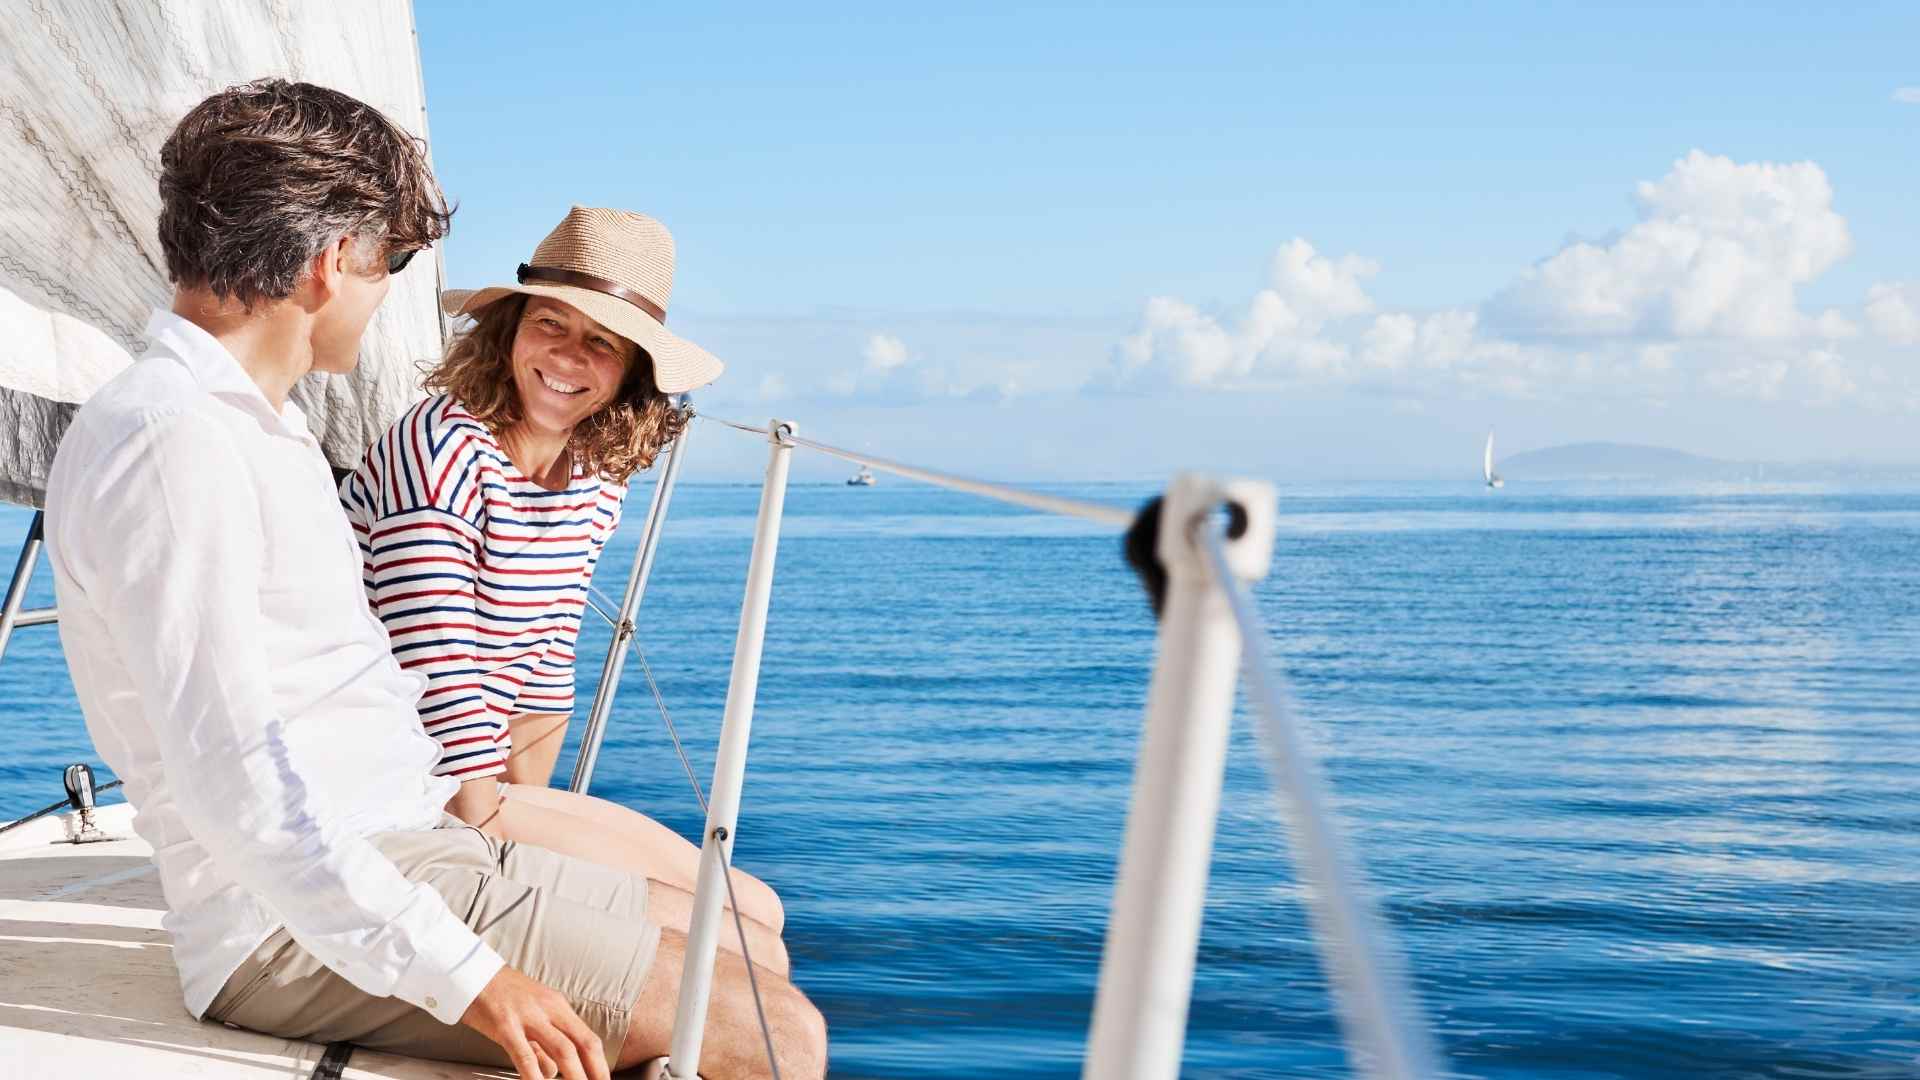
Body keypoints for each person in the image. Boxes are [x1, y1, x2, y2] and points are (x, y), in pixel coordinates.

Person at [43, 79, 825, 1080]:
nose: (390, 293)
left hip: (404, 835)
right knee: (778, 1035)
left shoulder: (260, 426)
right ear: (334, 263)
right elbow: (236, 782)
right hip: (284, 923)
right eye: (394, 263)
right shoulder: (175, 444)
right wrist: (471, 978)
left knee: (753, 939)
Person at [339, 206, 789, 973]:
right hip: (394, 775)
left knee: (758, 909)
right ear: (511, 328)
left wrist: (534, 812)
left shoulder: (591, 474)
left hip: (468, 778)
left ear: (630, 373)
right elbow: (435, 659)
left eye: (601, 342)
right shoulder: (442, 445)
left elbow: (547, 652)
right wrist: (493, 847)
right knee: (734, 939)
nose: (569, 357)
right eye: (552, 324)